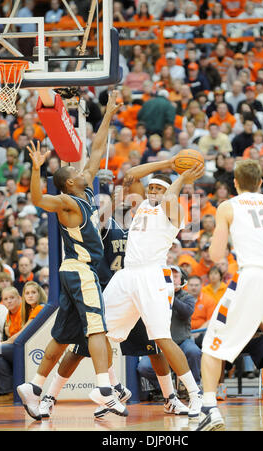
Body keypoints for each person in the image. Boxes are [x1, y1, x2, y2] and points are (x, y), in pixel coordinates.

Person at [17, 91, 129, 421]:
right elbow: (38, 200)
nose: (81, 171)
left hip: (73, 271)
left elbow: (96, 151)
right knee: (97, 330)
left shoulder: (87, 192)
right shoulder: (67, 203)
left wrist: (107, 113)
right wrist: (37, 170)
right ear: (68, 184)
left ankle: (35, 388)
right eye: (74, 172)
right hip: (81, 270)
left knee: (63, 335)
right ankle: (105, 390)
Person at [38, 183, 188, 419]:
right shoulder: (108, 224)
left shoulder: (150, 217)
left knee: (154, 346)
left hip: (139, 288)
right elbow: (95, 220)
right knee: (81, 347)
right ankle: (52, 397)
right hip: (110, 289)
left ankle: (170, 398)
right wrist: (111, 201)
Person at [102, 154, 205, 419]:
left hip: (153, 276)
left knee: (161, 338)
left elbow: (171, 196)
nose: (154, 191)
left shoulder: (174, 210)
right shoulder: (143, 206)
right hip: (127, 275)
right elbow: (132, 174)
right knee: (98, 330)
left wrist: (181, 176)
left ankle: (195, 394)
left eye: (159, 188)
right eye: (152, 188)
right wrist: (168, 163)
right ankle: (113, 388)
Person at [197, 159, 263, 431]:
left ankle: (209, 408)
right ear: (261, 183)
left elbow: (216, 255)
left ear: (236, 183)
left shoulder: (228, 206)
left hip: (253, 276)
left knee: (212, 344)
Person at [137, 266, 202, 390]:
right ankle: (165, 388)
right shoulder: (154, 297)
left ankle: (194, 387)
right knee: (143, 367)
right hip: (160, 344)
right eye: (168, 276)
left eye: (175, 276)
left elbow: (186, 312)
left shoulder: (187, 297)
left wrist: (171, 297)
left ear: (182, 280)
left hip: (182, 342)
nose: (171, 279)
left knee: (194, 352)